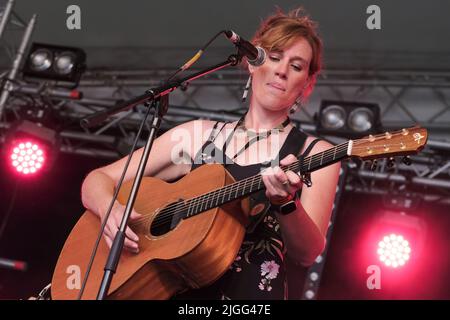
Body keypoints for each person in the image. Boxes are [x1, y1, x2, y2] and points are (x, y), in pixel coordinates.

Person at [81, 7, 341, 300]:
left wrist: (286, 203)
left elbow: (308, 253)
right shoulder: (198, 136)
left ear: (306, 82)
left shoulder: (315, 153)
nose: (281, 70)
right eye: (274, 57)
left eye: (296, 66)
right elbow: (97, 180)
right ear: (251, 62)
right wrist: (109, 209)